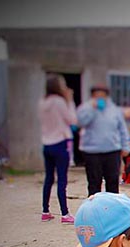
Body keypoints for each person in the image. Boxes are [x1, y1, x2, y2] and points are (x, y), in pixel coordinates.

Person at [76, 84, 130, 196]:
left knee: (112, 182)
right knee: (94, 183)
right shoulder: (85, 108)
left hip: (112, 150)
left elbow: (122, 128)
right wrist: (92, 109)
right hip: (91, 151)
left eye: (102, 96)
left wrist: (125, 146)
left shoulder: (114, 110)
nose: (100, 98)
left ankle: (111, 209)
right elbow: (81, 123)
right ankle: (94, 210)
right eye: (97, 96)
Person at [37, 73, 77, 224]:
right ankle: (65, 214)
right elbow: (72, 119)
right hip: (60, 143)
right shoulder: (59, 102)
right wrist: (70, 100)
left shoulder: (42, 102)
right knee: (62, 179)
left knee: (48, 178)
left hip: (47, 144)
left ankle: (45, 211)